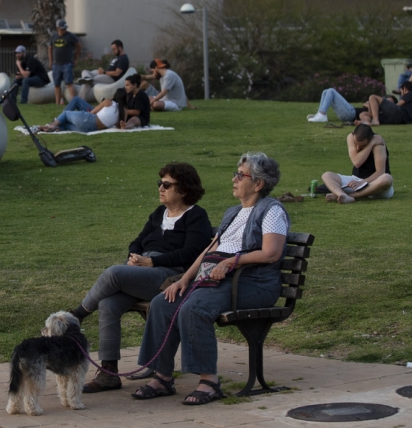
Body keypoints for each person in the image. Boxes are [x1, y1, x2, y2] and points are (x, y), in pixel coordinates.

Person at [133, 152, 288, 405]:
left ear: (258, 183)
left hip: (253, 283)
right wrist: (184, 279)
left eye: (241, 174)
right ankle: (162, 377)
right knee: (163, 303)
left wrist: (232, 261)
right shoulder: (233, 212)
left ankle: (209, 382)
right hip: (217, 280)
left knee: (194, 308)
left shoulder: (272, 211)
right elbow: (209, 250)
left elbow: (272, 253)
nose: (234, 178)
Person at [69, 163, 212, 393]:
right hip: (145, 271)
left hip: (170, 276)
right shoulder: (158, 213)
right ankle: (109, 374)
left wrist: (153, 261)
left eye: (167, 184)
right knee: (108, 303)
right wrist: (133, 257)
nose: (160, 188)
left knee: (114, 273)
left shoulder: (196, 216)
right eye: (160, 183)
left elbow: (191, 253)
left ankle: (77, 315)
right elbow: (138, 240)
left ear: (184, 189)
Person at [321, 124, 394, 204]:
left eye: (362, 146)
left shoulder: (378, 144)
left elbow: (380, 172)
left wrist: (363, 182)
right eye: (356, 144)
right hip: (356, 181)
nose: (358, 148)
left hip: (375, 184)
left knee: (387, 178)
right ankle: (341, 194)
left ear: (370, 139)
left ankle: (350, 196)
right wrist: (371, 144)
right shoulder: (351, 137)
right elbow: (357, 162)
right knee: (327, 175)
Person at [39, 89, 127, 133]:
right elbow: (119, 126)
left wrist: (83, 114)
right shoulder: (124, 111)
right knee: (66, 125)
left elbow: (93, 112)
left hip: (89, 120)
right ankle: (56, 128)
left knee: (66, 114)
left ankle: (52, 125)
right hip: (92, 129)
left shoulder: (108, 102)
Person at [49, 19, 81, 105]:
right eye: (62, 29)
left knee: (69, 83)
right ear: (57, 28)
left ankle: (74, 102)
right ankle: (57, 103)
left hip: (67, 63)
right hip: (56, 64)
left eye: (65, 28)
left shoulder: (70, 36)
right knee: (57, 84)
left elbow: (78, 46)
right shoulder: (53, 37)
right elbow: (50, 48)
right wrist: (51, 60)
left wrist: (75, 59)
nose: (64, 30)